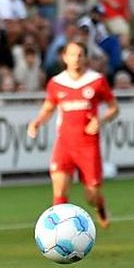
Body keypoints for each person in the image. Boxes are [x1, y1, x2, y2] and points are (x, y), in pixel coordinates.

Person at [27, 41, 119, 229]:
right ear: (64, 57)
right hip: (65, 144)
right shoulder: (56, 83)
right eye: (72, 55)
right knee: (59, 190)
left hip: (88, 144)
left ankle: (100, 206)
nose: (76, 59)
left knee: (91, 195)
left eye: (80, 55)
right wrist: (37, 122)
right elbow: (48, 108)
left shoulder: (97, 80)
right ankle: (59, 232)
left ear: (85, 57)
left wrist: (99, 120)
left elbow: (114, 108)